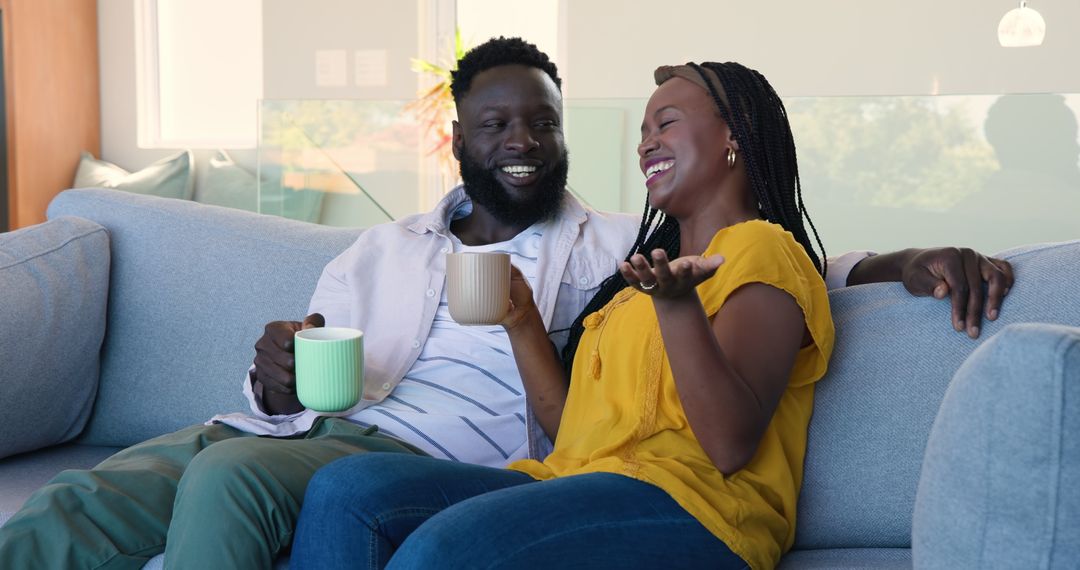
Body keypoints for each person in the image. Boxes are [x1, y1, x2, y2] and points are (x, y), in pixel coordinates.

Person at [0, 38, 1012, 569]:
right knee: (99, 498)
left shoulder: (624, 249)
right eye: (496, 123)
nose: (521, 139)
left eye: (542, 122)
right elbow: (576, 421)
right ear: (460, 143)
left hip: (514, 468)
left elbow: (795, 271)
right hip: (335, 433)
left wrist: (922, 257)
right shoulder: (398, 250)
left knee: (269, 490)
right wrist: (274, 372)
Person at [288, 59, 832, 570]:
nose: (647, 144)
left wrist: (678, 309)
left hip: (703, 508)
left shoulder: (760, 250)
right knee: (349, 489)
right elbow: (574, 432)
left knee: (450, 544)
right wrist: (522, 321)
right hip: (574, 479)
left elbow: (731, 444)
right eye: (643, 131)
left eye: (665, 123)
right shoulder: (627, 290)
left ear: (733, 133)